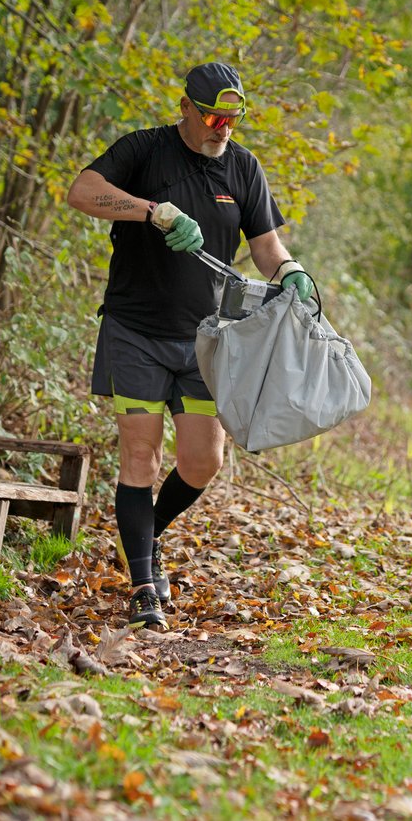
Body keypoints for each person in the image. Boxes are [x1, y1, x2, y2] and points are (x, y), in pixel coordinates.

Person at [66, 61, 315, 629]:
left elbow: (267, 246)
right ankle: (143, 587)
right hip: (134, 330)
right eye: (211, 115)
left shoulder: (244, 169)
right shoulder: (145, 151)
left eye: (231, 118)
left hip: (206, 341)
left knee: (205, 460)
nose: (221, 128)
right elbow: (82, 191)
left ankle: (144, 538)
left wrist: (292, 272)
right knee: (141, 456)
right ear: (184, 107)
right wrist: (150, 211)